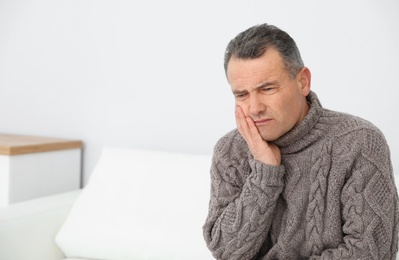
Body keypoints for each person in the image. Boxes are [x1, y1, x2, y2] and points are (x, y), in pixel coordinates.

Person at [203, 23, 399, 260]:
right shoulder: (230, 150)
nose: (254, 108)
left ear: (303, 82)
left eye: (267, 88)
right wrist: (264, 172)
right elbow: (226, 251)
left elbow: (372, 252)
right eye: (242, 95)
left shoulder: (360, 142)